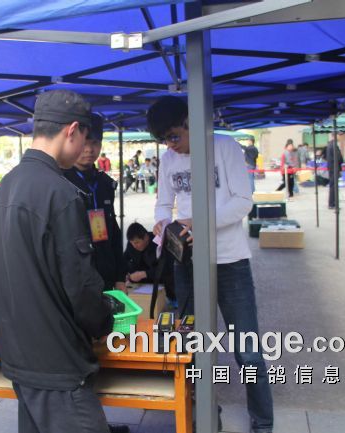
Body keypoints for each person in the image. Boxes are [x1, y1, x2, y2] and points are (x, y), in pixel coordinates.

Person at [0, 90, 122, 433]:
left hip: (17, 354)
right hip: (56, 360)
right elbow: (80, 285)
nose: (86, 147)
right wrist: (104, 321)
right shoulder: (60, 193)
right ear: (72, 131)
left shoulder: (6, 186)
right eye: (84, 137)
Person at [147, 95, 273, 433]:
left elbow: (243, 202)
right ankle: (205, 414)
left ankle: (263, 422)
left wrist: (199, 222)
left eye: (174, 136)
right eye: (164, 140)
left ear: (190, 122)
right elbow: (163, 203)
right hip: (187, 264)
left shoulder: (225, 147)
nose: (171, 145)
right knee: (194, 346)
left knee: (247, 349)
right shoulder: (168, 160)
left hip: (230, 261)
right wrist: (162, 223)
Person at [64, 113, 127, 292]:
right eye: (84, 143)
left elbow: (113, 231)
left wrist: (120, 277)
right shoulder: (60, 182)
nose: (89, 150)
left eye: (95, 143)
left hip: (105, 275)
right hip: (77, 279)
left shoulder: (104, 183)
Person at [123, 222, 175, 302]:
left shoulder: (158, 242)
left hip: (162, 283)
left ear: (146, 237)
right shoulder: (132, 246)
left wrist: (145, 274)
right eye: (131, 243)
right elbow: (124, 260)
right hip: (140, 284)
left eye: (137, 242)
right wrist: (125, 275)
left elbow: (167, 268)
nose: (134, 246)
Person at [326, 140, 344, 209]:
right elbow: (339, 157)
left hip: (331, 167)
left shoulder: (329, 145)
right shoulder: (334, 146)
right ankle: (333, 203)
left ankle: (332, 203)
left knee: (332, 186)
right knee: (334, 186)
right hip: (334, 167)